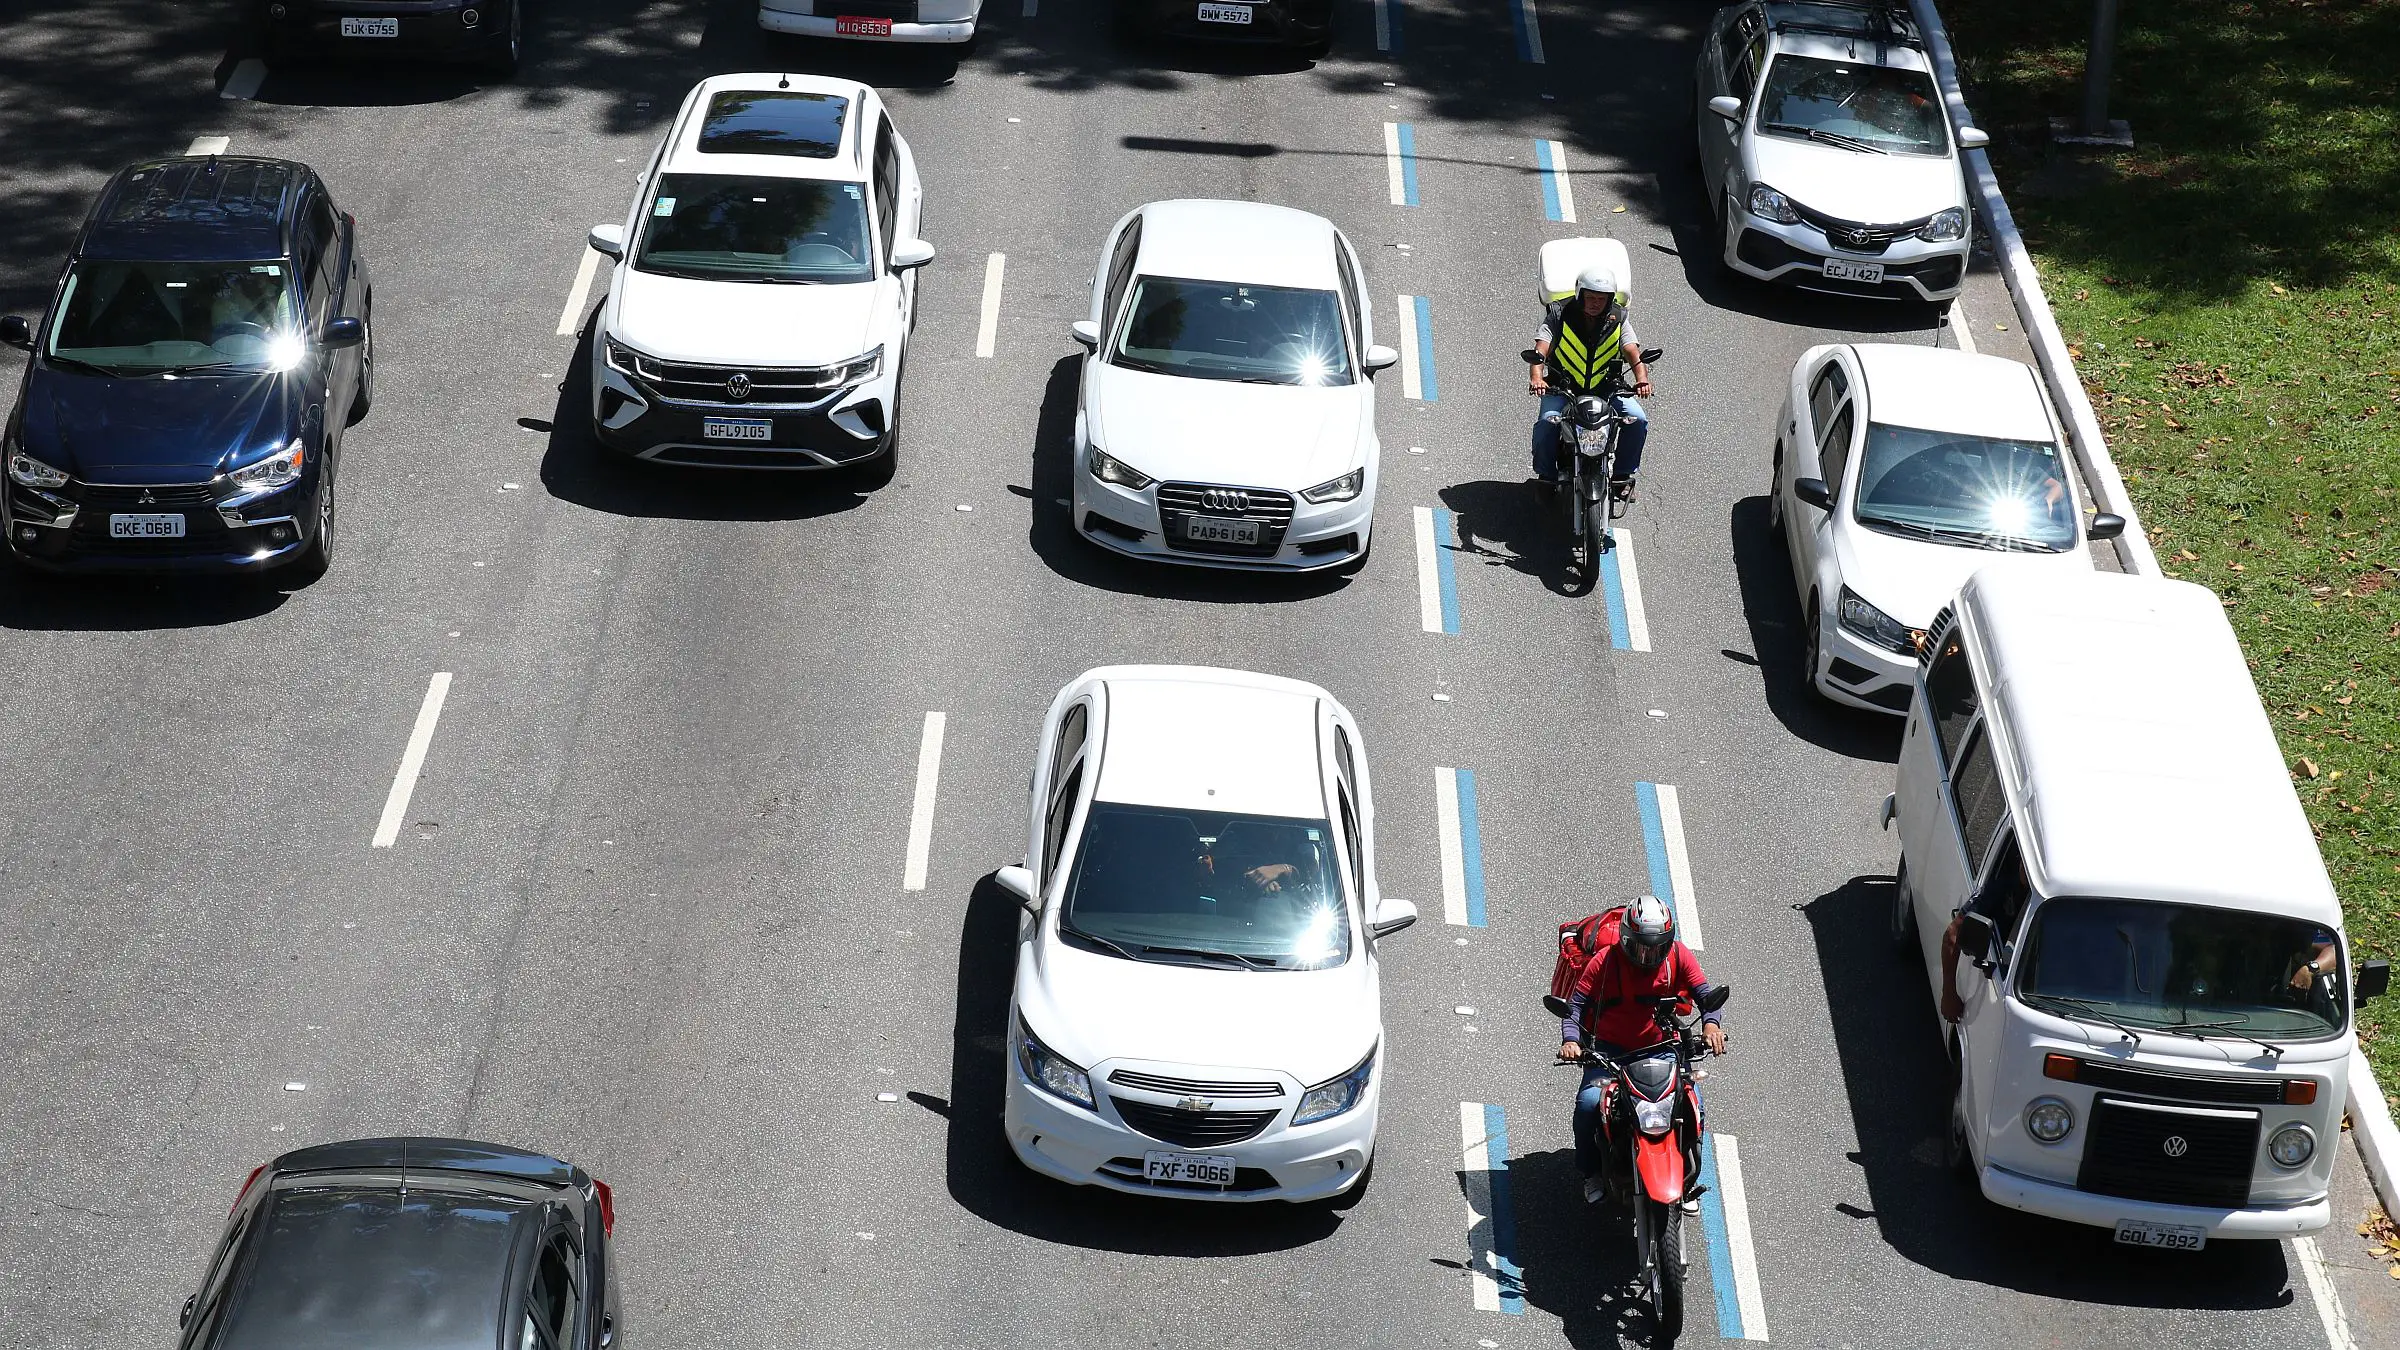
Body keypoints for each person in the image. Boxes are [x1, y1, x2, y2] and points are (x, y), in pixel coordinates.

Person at [1558, 895, 1724, 1208]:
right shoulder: (1604, 961)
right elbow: (1575, 1006)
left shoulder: (1678, 956)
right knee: (1588, 1106)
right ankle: (1591, 1172)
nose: (1649, 955)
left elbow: (1706, 996)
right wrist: (1571, 1041)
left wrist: (1712, 1026)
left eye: (1657, 947)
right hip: (1610, 1055)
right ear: (1625, 939)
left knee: (1693, 1107)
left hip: (1662, 1050)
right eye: (1641, 947)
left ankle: (1686, 1179)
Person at [1529, 265, 1653, 502]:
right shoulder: (1558, 314)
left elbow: (1631, 351)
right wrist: (1537, 378)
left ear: (1609, 299)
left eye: (1601, 299)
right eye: (1591, 298)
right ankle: (1546, 477)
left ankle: (1622, 477)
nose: (1596, 303)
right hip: (1563, 387)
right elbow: (1541, 349)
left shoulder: (1619, 318)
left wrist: (1642, 379)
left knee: (1637, 419)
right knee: (1547, 422)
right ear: (1580, 295)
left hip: (1607, 387)